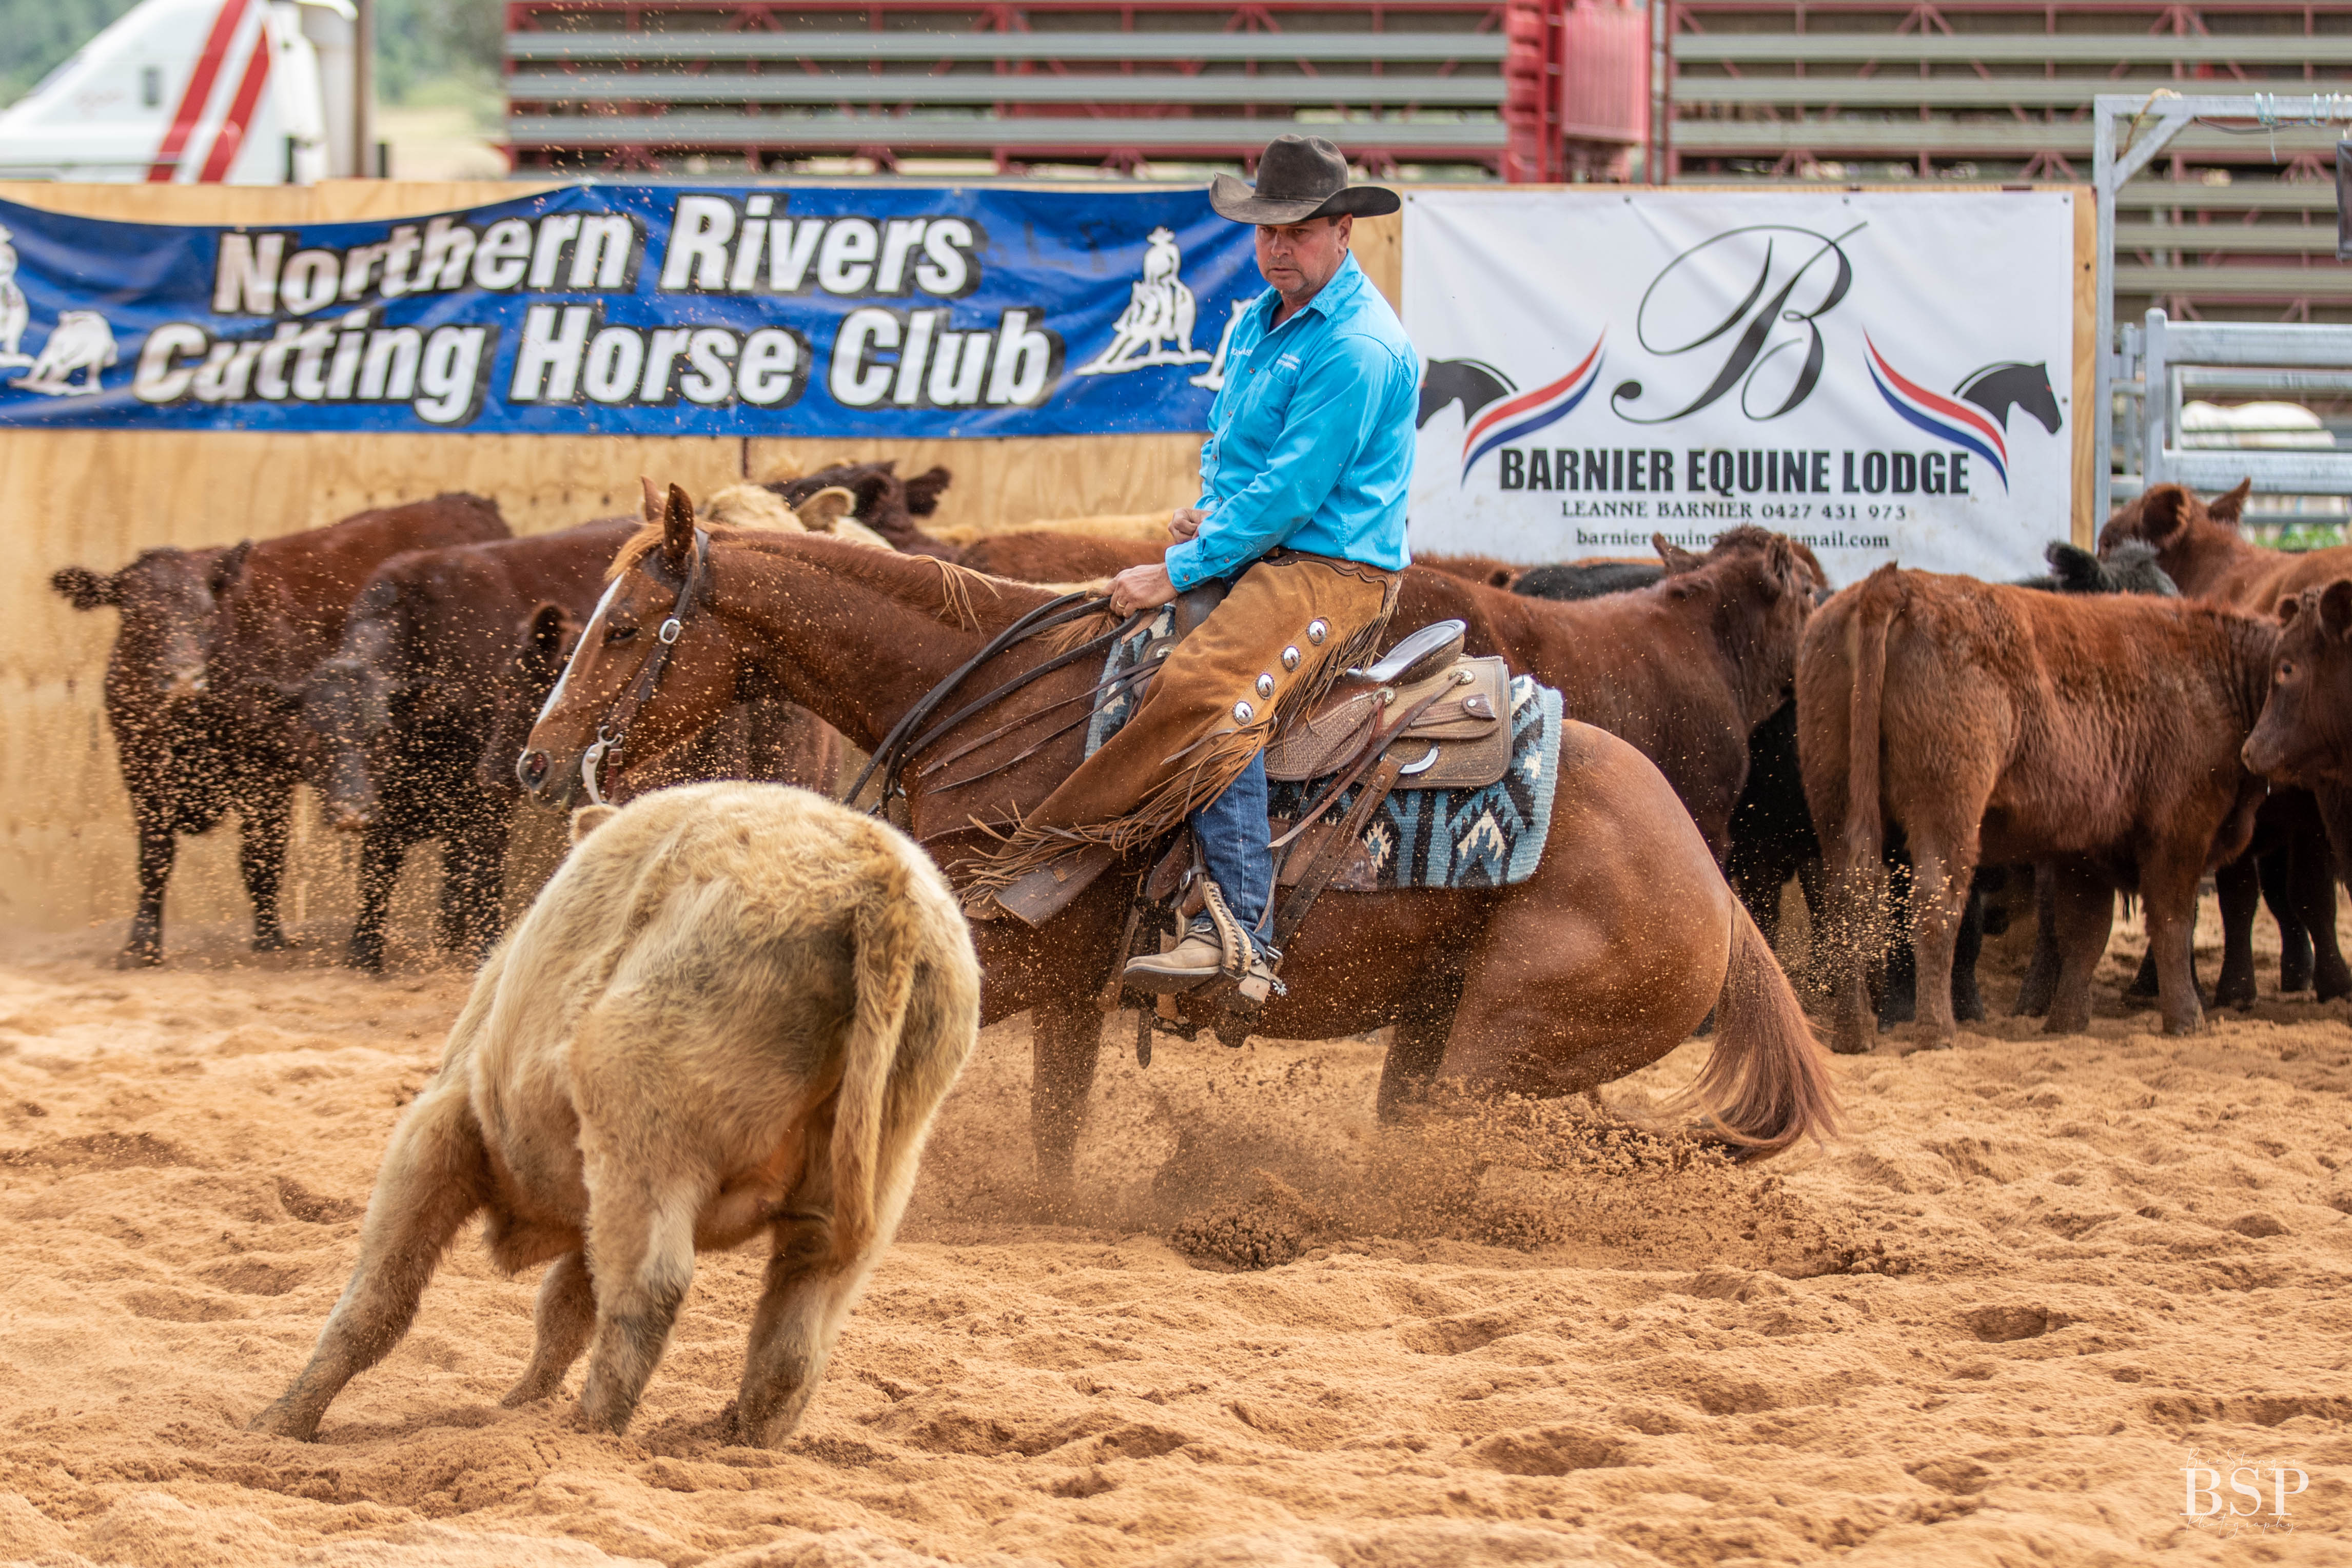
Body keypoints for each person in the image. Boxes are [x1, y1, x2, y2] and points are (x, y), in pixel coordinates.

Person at [974, 134, 1418, 998]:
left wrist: (1178, 568)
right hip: (1268, 545)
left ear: (1343, 232)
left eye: (1298, 232)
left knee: (1210, 687)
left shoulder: (1359, 346)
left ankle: (1239, 933)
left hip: (1334, 572)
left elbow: (1292, 491)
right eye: (1267, 232)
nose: (1278, 248)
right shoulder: (1262, 320)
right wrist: (1213, 511)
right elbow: (1243, 458)